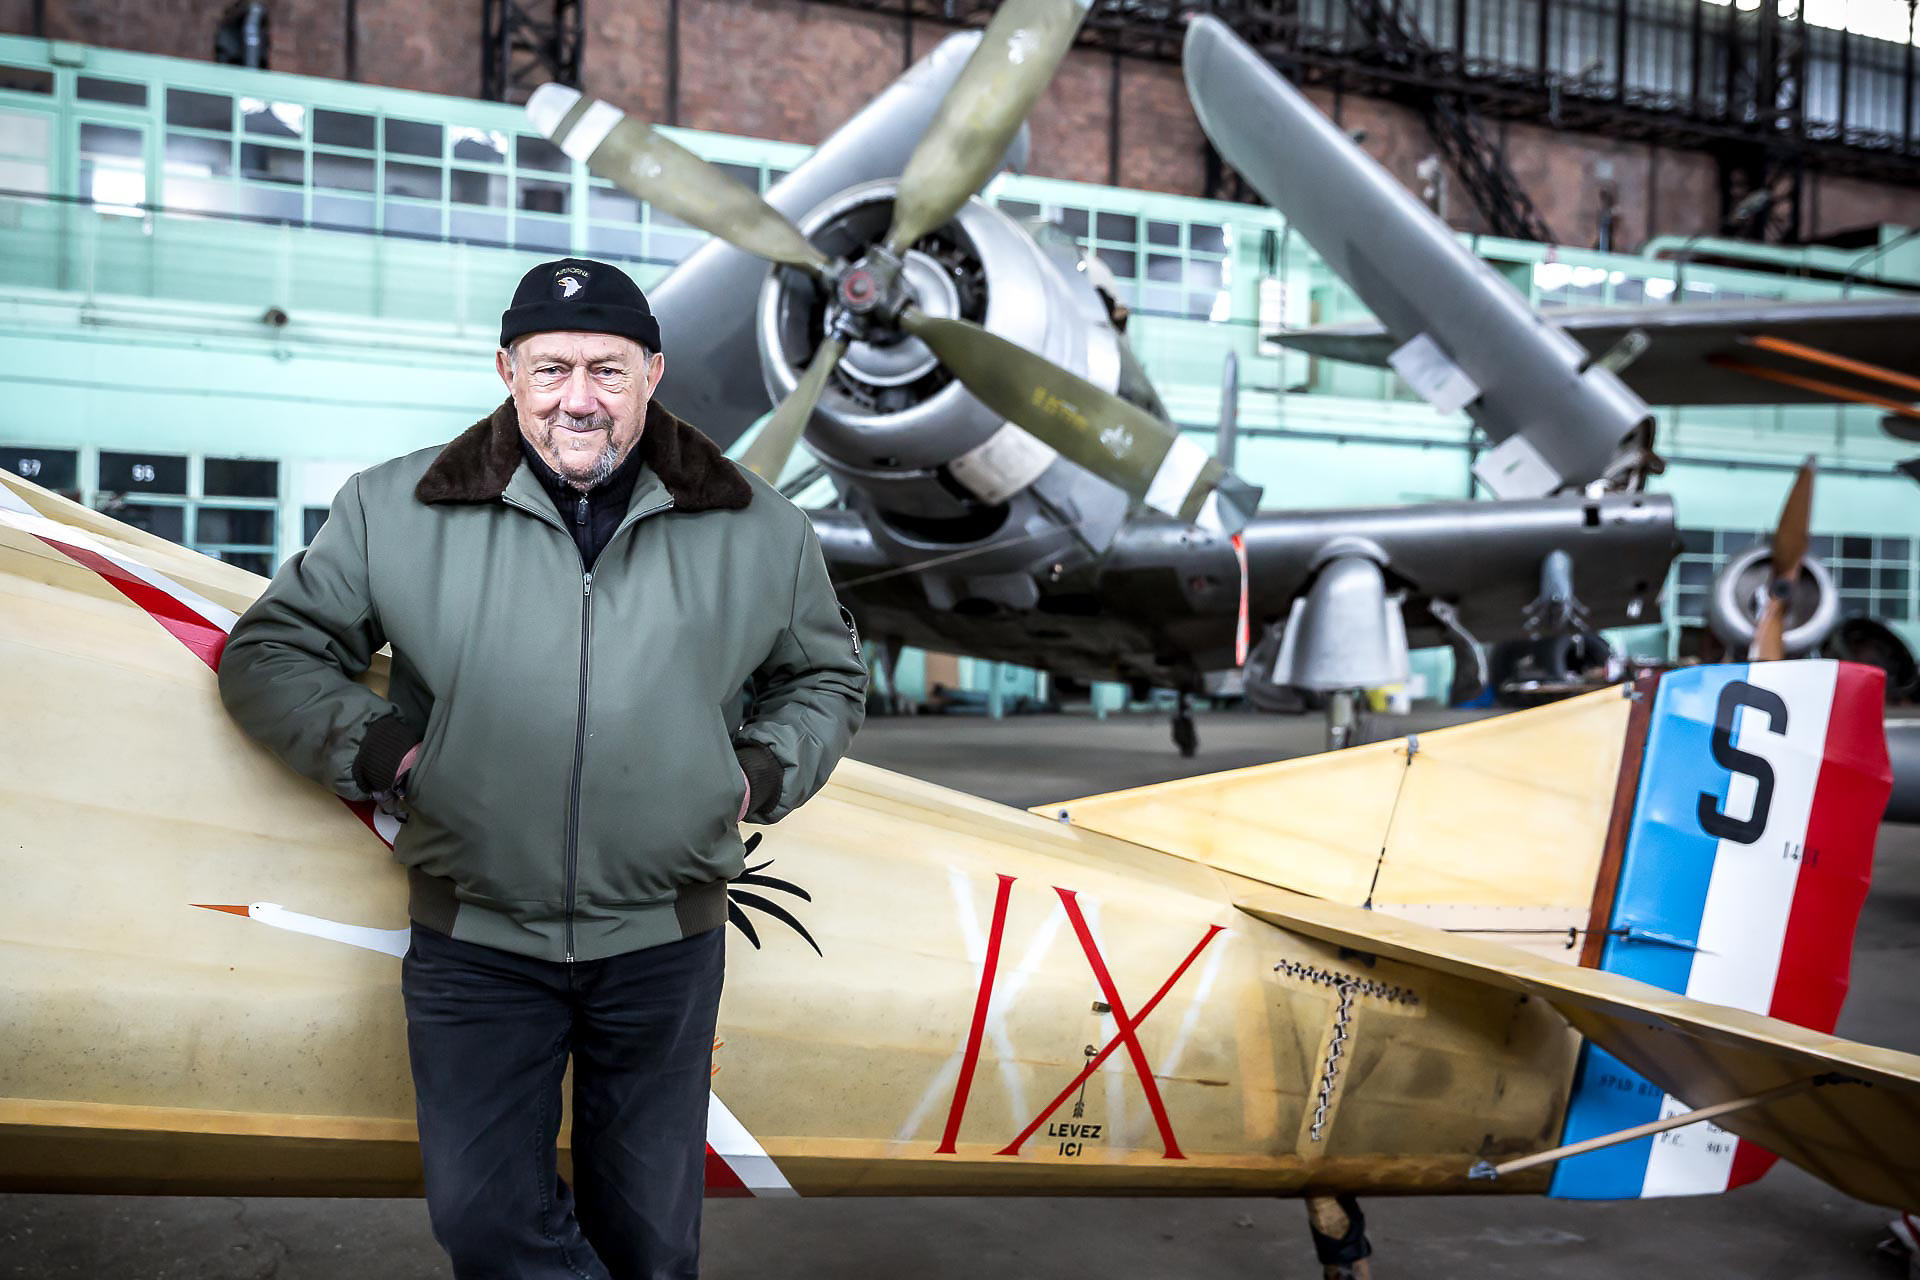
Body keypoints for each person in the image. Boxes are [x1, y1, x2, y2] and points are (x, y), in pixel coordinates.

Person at [218, 256, 867, 1279]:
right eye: (551, 367)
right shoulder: (398, 507)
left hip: (665, 940)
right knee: (485, 1221)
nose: (579, 399)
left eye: (607, 371)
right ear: (507, 369)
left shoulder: (758, 526)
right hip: (477, 937)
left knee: (651, 1244)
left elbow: (825, 677)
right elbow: (272, 652)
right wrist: (396, 754)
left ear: (653, 372)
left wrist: (748, 775)